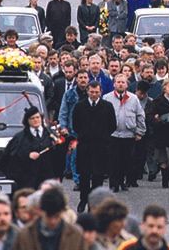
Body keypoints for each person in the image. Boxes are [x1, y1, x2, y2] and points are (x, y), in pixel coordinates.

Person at [73, 81, 117, 213]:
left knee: (98, 176)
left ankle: (95, 204)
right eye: (91, 92)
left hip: (101, 147)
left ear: (100, 92)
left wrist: (102, 135)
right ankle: (83, 199)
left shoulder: (107, 106)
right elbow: (75, 125)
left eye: (96, 92)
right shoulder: (80, 106)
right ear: (87, 91)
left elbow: (112, 125)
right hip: (85, 146)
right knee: (84, 176)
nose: (94, 94)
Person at [103, 73, 146, 191]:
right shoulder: (107, 98)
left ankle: (122, 182)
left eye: (123, 82)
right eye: (118, 82)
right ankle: (114, 183)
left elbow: (140, 115)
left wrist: (140, 132)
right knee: (113, 160)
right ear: (114, 84)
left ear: (127, 84)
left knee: (126, 160)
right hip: (113, 135)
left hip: (129, 134)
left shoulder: (133, 98)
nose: (120, 84)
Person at [0, 105, 56, 189]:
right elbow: (11, 156)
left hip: (47, 177)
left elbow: (57, 155)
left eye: (37, 117)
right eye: (32, 118)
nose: (36, 120)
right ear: (27, 121)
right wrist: (27, 155)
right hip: (27, 179)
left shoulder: (50, 134)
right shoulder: (20, 138)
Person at [13, 188, 86, 250]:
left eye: (57, 216)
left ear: (63, 212)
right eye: (48, 216)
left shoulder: (76, 235)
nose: (53, 221)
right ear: (41, 211)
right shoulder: (25, 235)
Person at [146, 79, 169, 188]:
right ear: (164, 88)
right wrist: (159, 120)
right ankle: (165, 181)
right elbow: (150, 116)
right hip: (161, 133)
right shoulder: (157, 101)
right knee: (163, 159)